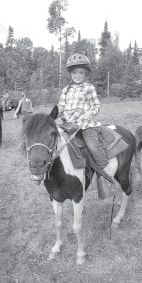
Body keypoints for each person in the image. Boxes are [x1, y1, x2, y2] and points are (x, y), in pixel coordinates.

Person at [57, 53, 110, 193]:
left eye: (81, 72)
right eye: (74, 72)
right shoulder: (66, 90)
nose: (77, 75)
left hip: (85, 124)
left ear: (85, 73)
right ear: (70, 73)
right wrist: (56, 114)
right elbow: (60, 106)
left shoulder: (89, 87)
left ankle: (105, 171)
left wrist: (89, 114)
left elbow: (96, 105)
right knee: (54, 143)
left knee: (93, 146)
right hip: (68, 125)